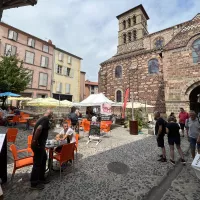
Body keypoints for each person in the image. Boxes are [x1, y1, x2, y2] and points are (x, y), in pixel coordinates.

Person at [30, 109, 53, 190]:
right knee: (37, 163)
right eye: (52, 115)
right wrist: (34, 140)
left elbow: (34, 129)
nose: (52, 117)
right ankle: (34, 183)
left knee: (44, 159)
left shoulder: (41, 118)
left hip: (40, 145)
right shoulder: (46, 119)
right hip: (38, 145)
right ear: (50, 114)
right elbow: (39, 129)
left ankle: (41, 178)